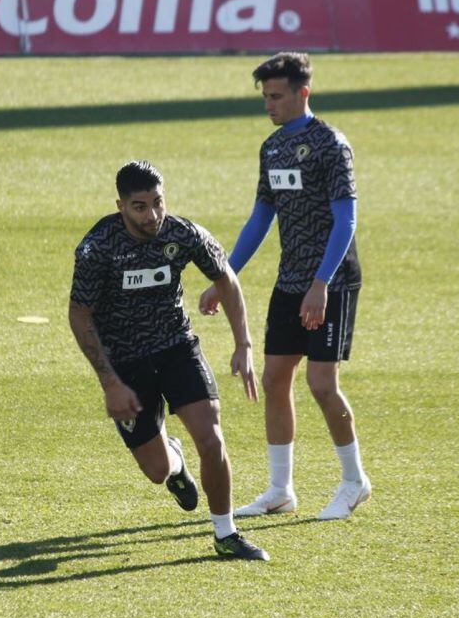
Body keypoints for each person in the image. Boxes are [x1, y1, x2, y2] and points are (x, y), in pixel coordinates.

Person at [199, 52, 371, 521]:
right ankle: (281, 490)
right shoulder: (271, 148)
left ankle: (354, 481)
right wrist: (224, 275)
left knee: (321, 383)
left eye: (276, 96)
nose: (269, 105)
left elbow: (346, 220)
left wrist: (321, 284)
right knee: (275, 380)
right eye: (265, 97)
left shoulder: (331, 145)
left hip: (329, 281)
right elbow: (261, 216)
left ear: (303, 93)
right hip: (290, 279)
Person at [68, 160, 269, 560]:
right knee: (157, 470)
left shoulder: (183, 233)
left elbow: (226, 279)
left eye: (158, 202)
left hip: (176, 346)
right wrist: (110, 382)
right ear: (121, 206)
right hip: (125, 362)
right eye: (140, 206)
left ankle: (225, 533)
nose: (153, 214)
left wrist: (243, 344)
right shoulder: (98, 247)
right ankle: (175, 462)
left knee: (211, 437)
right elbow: (79, 313)